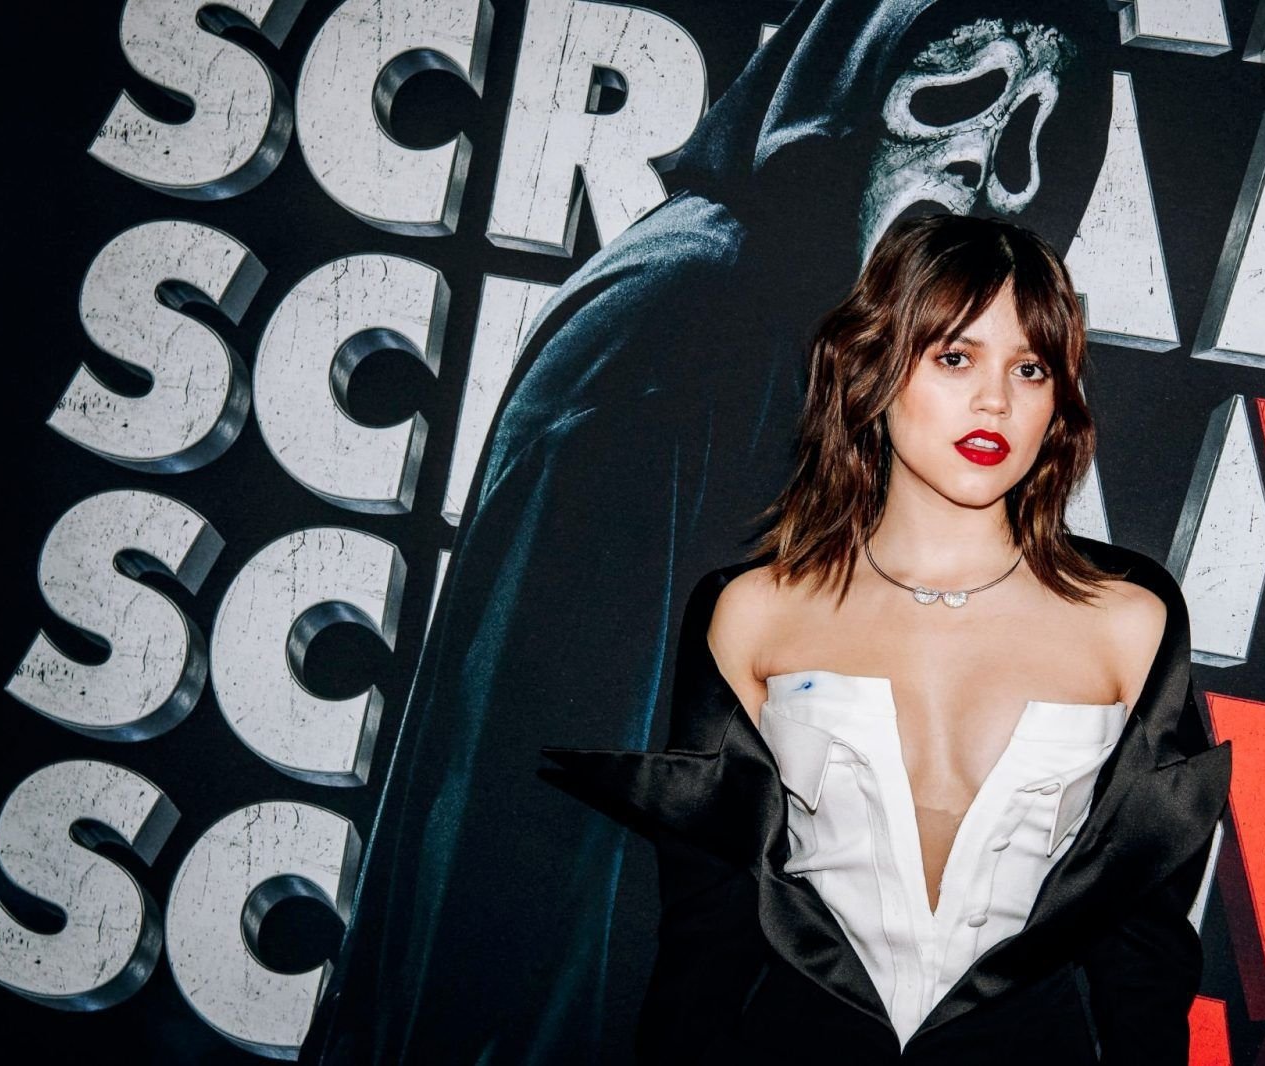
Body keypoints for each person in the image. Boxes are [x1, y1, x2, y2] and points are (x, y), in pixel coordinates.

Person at [300, 4, 1118, 1063]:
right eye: (953, 99)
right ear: (849, 93)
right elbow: (521, 782)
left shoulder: (842, 347)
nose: (987, 171)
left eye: (1038, 135)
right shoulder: (687, 312)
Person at [540, 214, 1232, 1063]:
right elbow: (707, 937)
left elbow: (1144, 956)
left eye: (1030, 368)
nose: (996, 401)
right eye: (954, 357)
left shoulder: (1129, 621)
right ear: (873, 367)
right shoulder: (756, 613)